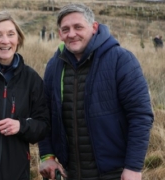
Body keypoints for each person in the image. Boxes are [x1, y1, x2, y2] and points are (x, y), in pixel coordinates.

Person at [38, 3, 154, 180]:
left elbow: (140, 115)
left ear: (94, 27)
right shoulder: (54, 66)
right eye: (65, 29)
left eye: (78, 27)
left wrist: (133, 166)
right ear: (60, 34)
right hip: (69, 172)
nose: (72, 34)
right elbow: (45, 115)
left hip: (115, 173)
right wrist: (47, 155)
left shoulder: (121, 60)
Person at [0, 11, 50, 180]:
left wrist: (21, 126)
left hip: (16, 173)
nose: (5, 41)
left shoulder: (31, 79)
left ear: (18, 39)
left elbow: (43, 126)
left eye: (10, 34)